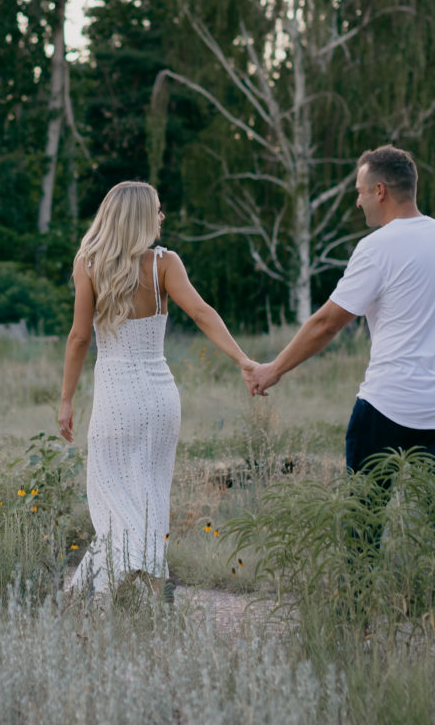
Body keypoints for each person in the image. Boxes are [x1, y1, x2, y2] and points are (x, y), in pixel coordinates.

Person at [243, 145, 435, 667]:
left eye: (359, 193)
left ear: (381, 191)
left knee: (363, 519)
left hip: (386, 406)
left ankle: (352, 630)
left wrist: (271, 370)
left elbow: (328, 321)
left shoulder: (378, 247)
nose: (358, 204)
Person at [59, 180, 253, 595]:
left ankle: (106, 591)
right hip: (160, 396)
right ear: (141, 217)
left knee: (112, 497)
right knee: (150, 495)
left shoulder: (88, 264)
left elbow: (78, 338)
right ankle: (149, 582)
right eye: (157, 209)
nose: (162, 216)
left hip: (115, 399)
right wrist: (242, 359)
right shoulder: (164, 264)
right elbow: (202, 313)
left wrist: (66, 399)